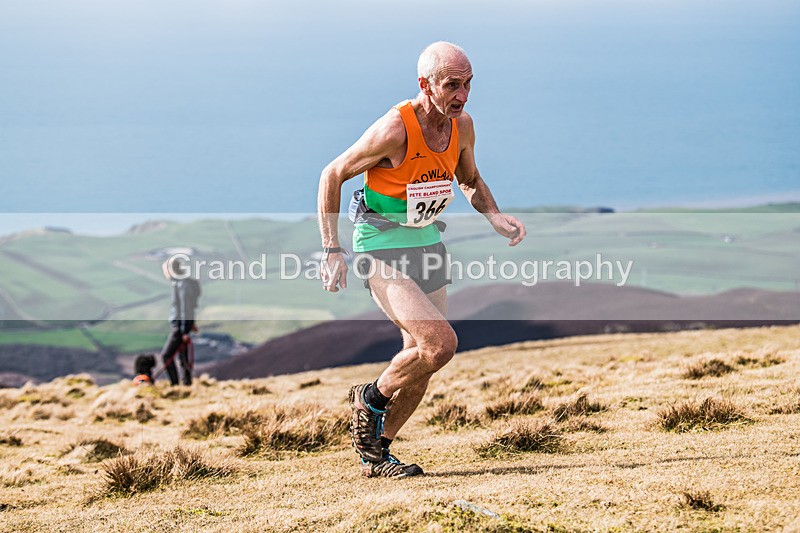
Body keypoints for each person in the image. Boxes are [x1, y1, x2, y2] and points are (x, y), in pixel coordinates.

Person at [317, 41, 526, 478]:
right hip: (380, 246)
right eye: (452, 85)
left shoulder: (462, 126)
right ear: (424, 85)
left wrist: (494, 216)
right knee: (440, 344)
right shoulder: (395, 129)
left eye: (468, 84)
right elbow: (332, 173)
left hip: (427, 244)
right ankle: (370, 398)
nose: (463, 95)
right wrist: (332, 249)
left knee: (422, 357)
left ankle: (378, 455)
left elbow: (469, 179)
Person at [159, 256, 201, 386]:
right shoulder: (183, 283)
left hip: (179, 326)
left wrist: (184, 331)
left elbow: (184, 308)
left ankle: (175, 384)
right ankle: (187, 383)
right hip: (183, 325)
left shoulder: (182, 285)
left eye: (165, 270)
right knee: (183, 357)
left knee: (166, 356)